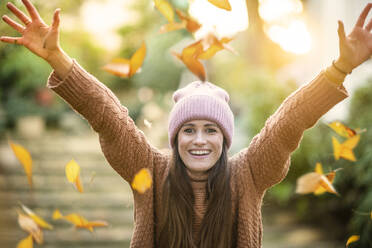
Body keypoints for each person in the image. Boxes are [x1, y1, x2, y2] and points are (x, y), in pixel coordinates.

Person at [1, 0, 372, 247]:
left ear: (225, 139)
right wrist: (59, 59)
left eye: (211, 130)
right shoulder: (148, 169)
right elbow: (108, 117)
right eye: (188, 129)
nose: (199, 140)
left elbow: (286, 124)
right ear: (175, 136)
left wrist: (340, 68)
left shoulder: (249, 174)